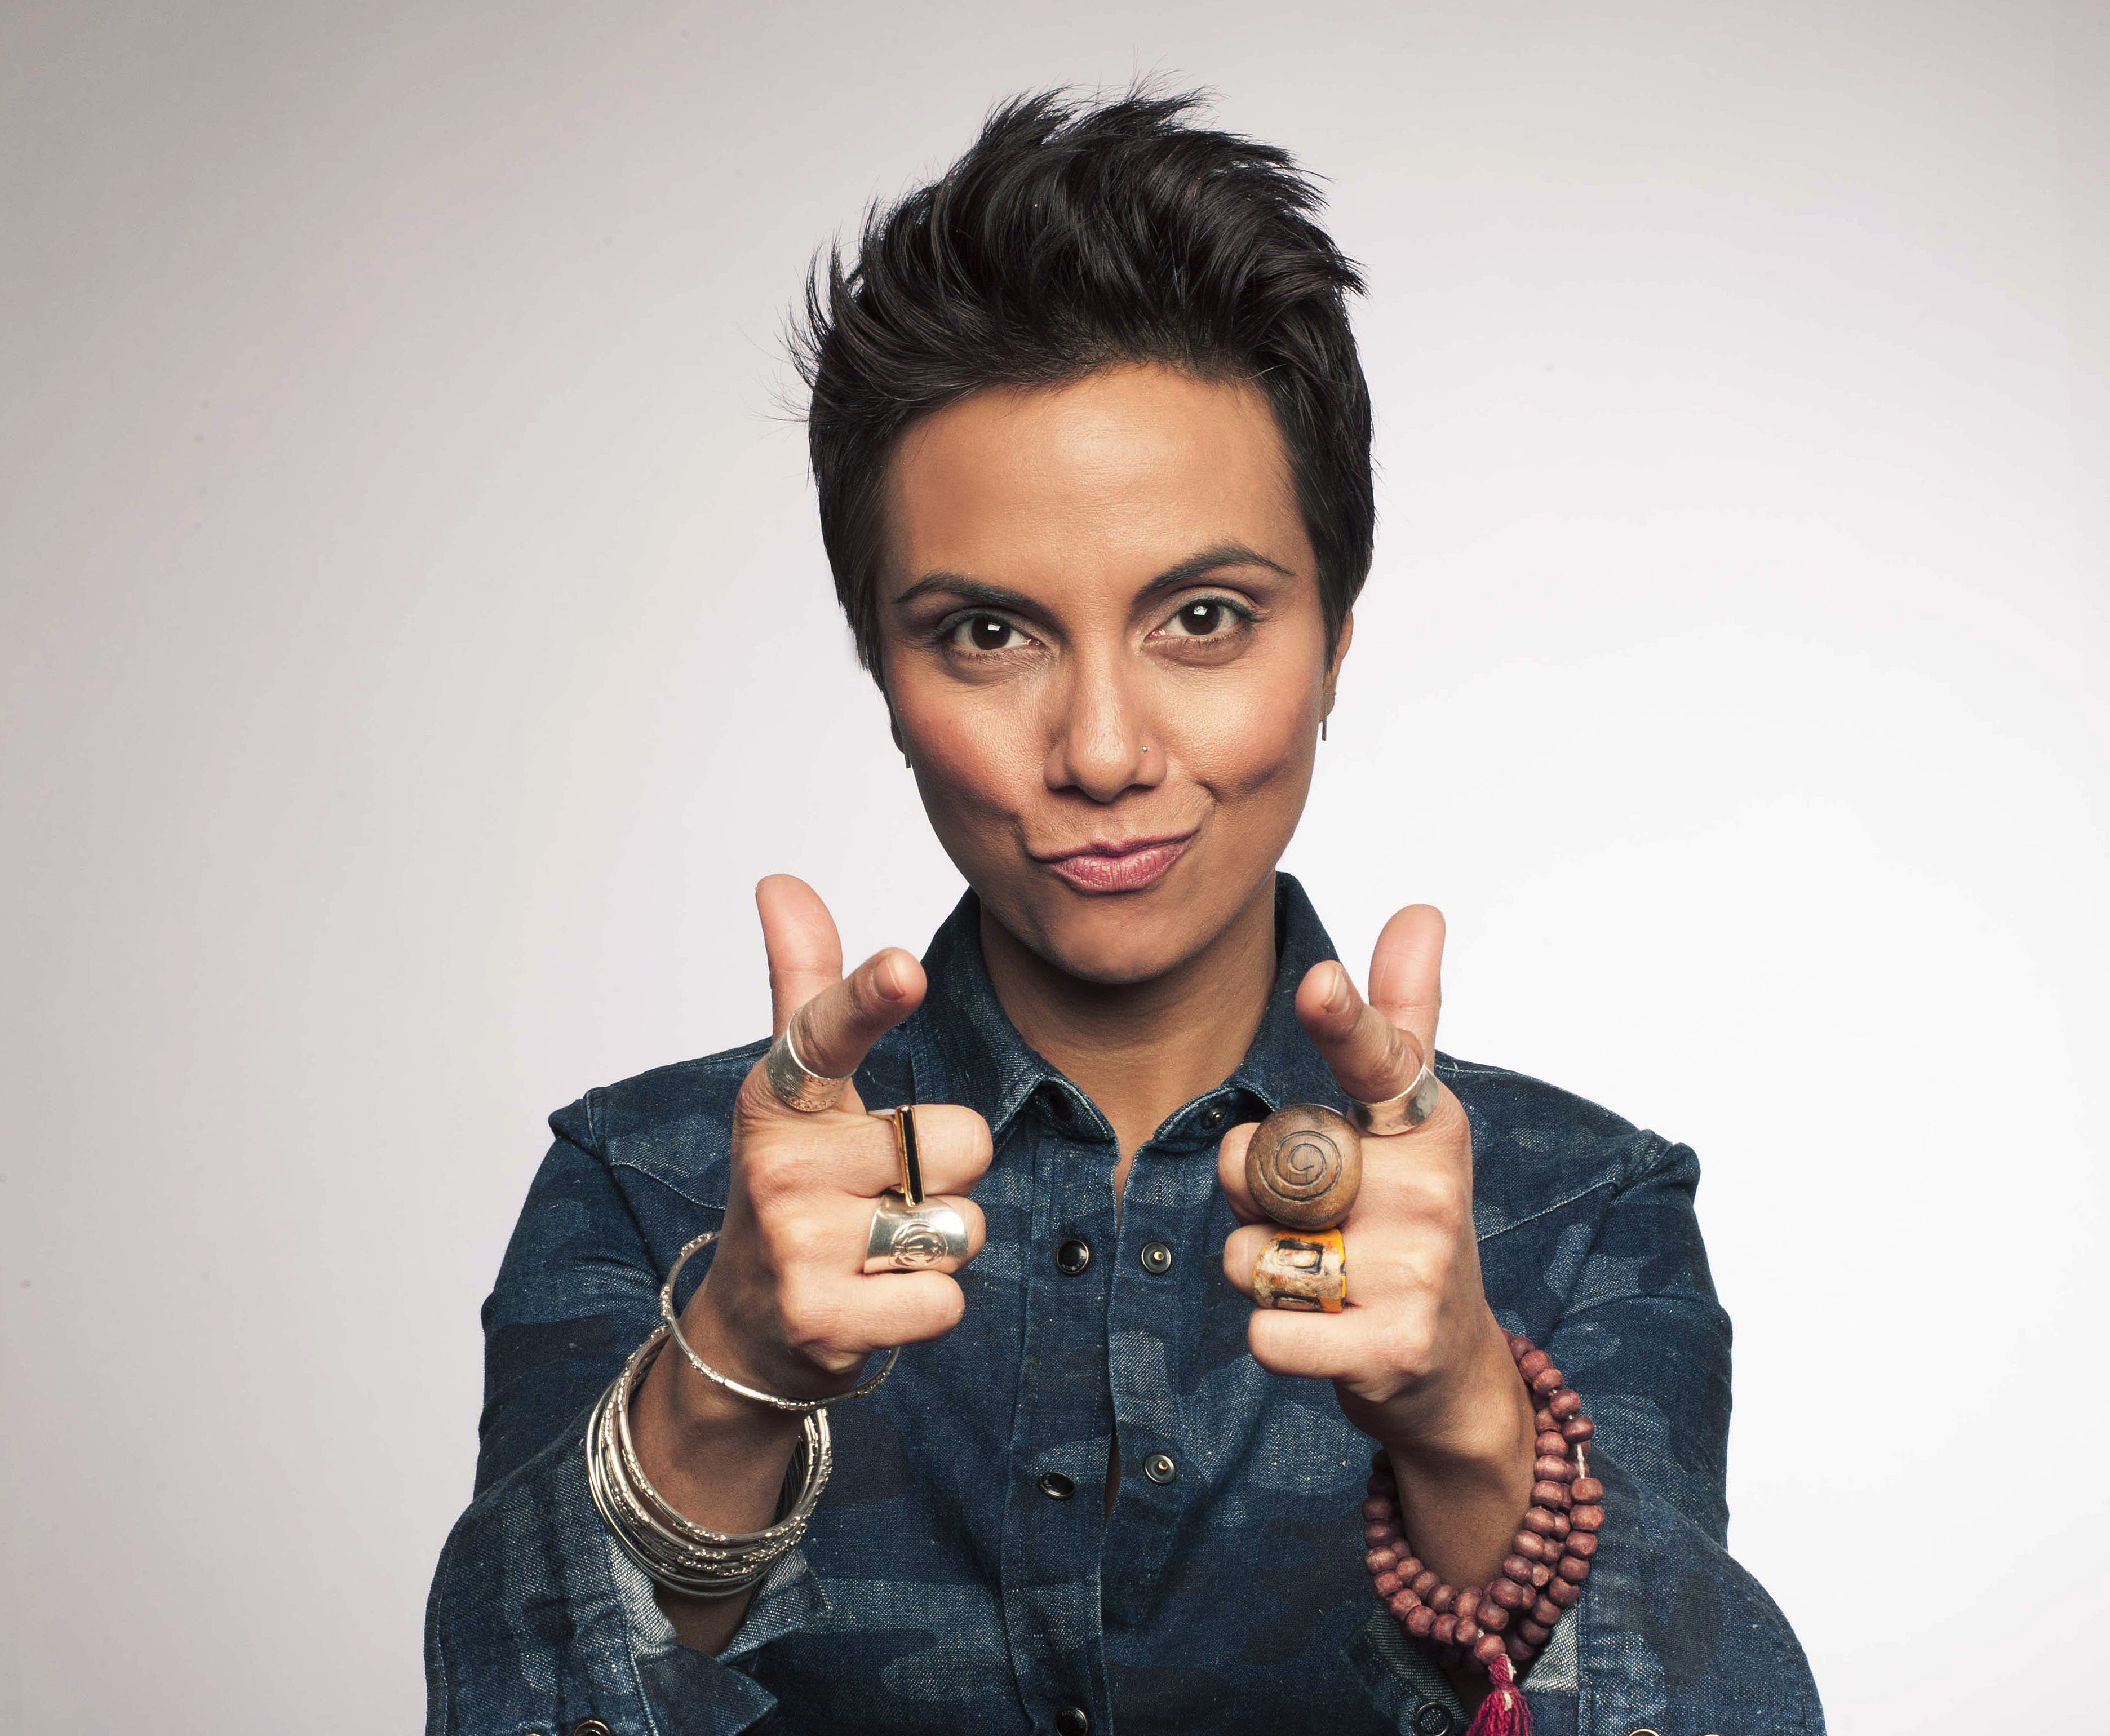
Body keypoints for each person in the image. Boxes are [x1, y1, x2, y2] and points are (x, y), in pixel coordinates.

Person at [425, 90, 1823, 1736]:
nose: (1101, 751)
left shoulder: (1570, 1219)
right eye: (988, 636)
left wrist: (1470, 1426)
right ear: (881, 666)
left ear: (1336, 638)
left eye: (1206, 618)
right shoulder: (658, 1195)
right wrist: (723, 1380)